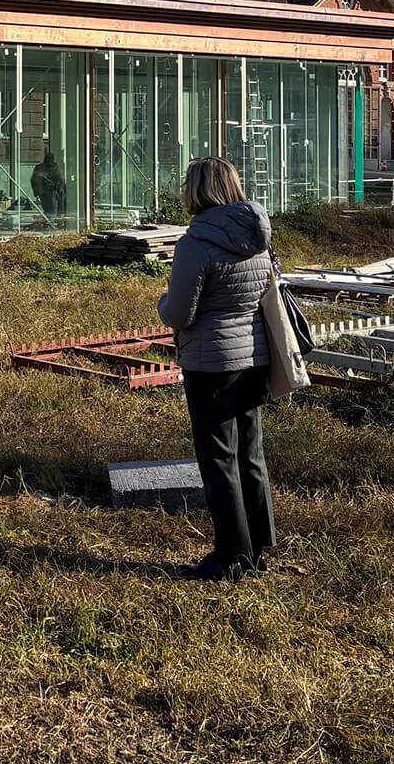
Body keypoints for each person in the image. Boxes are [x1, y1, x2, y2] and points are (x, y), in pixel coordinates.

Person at [157, 157, 275, 581]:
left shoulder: (196, 243)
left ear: (198, 191)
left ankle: (230, 557)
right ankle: (259, 548)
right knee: (250, 455)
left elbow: (180, 314)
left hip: (211, 362)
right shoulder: (258, 236)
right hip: (255, 358)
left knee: (219, 459)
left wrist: (161, 304)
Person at [30, 148, 67, 220]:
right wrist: (36, 192)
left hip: (54, 191)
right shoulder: (41, 167)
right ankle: (50, 222)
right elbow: (34, 180)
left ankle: (52, 222)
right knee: (50, 209)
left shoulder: (55, 166)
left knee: (54, 209)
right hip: (46, 192)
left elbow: (60, 179)